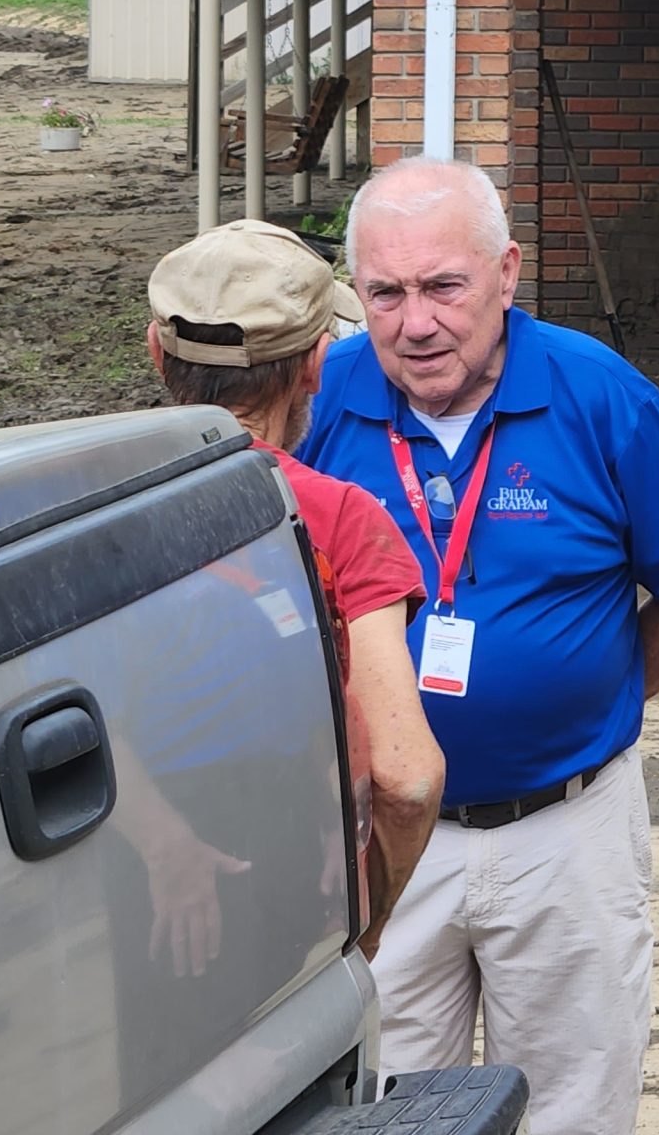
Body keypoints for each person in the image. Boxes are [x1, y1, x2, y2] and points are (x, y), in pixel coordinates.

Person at [296, 157, 659, 1135]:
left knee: (572, 1122)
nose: (414, 322)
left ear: (505, 275)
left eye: (441, 286)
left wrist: (588, 714)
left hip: (566, 829)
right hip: (386, 839)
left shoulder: (600, 398)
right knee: (381, 1127)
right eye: (381, 293)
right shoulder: (328, 398)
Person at [146, 218, 445, 954]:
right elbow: (406, 778)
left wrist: (161, 842)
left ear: (157, 353)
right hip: (289, 895)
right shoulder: (339, 517)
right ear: (316, 364)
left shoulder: (76, 501)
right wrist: (367, 917)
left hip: (136, 894)